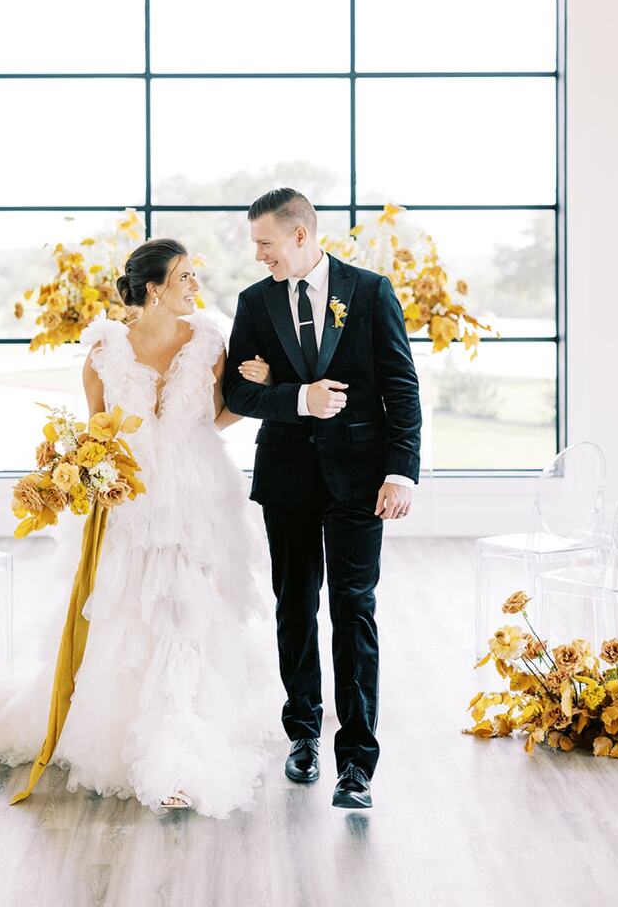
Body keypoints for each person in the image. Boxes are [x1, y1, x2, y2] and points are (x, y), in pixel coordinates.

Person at [0, 238, 282, 818]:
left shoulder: (210, 340)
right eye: (184, 276)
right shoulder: (103, 351)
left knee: (189, 614)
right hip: (131, 498)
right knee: (130, 612)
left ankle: (183, 753)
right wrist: (84, 472)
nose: (195, 285)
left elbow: (217, 415)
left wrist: (257, 389)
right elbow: (95, 434)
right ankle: (126, 738)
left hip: (195, 492)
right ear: (154, 288)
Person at [223, 189, 422, 810]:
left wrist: (402, 472)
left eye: (266, 244)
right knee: (295, 606)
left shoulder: (369, 292)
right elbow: (235, 392)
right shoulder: (254, 303)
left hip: (362, 482)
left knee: (354, 609)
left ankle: (358, 763)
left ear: (302, 235)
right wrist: (295, 397)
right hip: (286, 480)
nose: (259, 256)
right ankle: (303, 733)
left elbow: (401, 387)